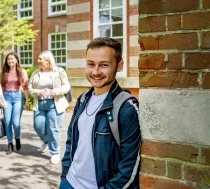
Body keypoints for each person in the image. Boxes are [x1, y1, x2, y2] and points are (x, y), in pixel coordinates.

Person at [60, 37, 141, 189]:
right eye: (91, 64)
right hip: (69, 183)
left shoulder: (126, 107)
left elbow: (130, 166)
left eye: (104, 65)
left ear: (119, 65)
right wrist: (65, 174)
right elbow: (71, 140)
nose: (96, 72)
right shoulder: (83, 99)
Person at [28, 50, 70, 164]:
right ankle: (46, 140)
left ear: (47, 60)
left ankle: (55, 152)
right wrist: (37, 92)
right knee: (38, 126)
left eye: (40, 59)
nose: (38, 61)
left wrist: (57, 91)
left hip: (55, 104)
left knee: (53, 128)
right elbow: (30, 88)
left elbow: (67, 86)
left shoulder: (59, 71)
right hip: (40, 104)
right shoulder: (35, 73)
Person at [0, 52, 29, 155]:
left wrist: (27, 101)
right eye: (8, 59)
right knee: (8, 122)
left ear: (16, 60)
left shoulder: (22, 71)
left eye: (12, 59)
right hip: (7, 97)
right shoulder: (5, 71)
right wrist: (0, 100)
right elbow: (2, 87)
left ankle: (17, 138)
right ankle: (10, 144)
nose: (10, 61)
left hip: (17, 97)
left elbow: (25, 87)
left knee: (15, 123)